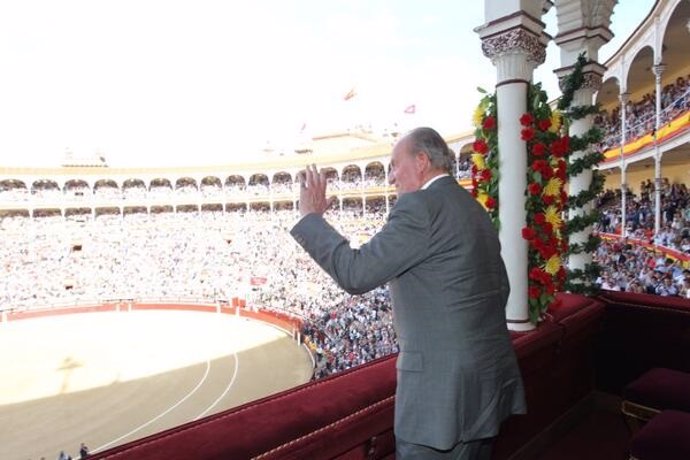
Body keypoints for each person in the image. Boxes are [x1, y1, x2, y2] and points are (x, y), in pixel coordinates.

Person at [291, 127, 526, 459]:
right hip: (485, 383)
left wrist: (311, 218)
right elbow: (501, 287)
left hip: (440, 394)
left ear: (421, 161)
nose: (390, 177)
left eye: (394, 165)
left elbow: (356, 273)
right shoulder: (473, 208)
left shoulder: (420, 207)